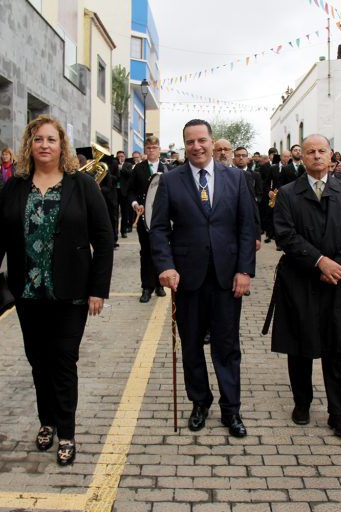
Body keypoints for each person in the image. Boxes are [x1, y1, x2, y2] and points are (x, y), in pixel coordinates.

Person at [0, 115, 113, 466]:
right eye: (38, 139)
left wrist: (99, 288)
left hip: (71, 292)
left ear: (61, 145)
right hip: (28, 292)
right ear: (29, 145)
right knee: (38, 362)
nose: (44, 145)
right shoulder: (15, 186)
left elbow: (103, 237)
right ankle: (47, 421)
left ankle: (66, 432)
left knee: (64, 361)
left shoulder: (82, 185)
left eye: (51, 139)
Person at [150, 119, 255, 438]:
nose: (197, 146)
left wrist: (245, 270)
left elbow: (247, 226)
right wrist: (165, 265)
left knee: (226, 346)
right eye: (190, 141)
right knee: (192, 345)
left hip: (227, 278)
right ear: (184, 145)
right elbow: (158, 228)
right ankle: (200, 402)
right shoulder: (170, 180)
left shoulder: (235, 178)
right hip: (187, 278)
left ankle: (231, 409)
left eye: (202, 140)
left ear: (212, 142)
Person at [269, 134, 341, 437]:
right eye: (310, 152)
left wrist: (339, 265)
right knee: (300, 345)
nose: (316, 156)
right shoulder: (287, 193)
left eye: (322, 151)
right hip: (301, 279)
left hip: (338, 281)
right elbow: (285, 235)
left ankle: (338, 412)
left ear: (331, 155)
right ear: (302, 157)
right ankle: (302, 402)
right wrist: (320, 261)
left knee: (337, 349)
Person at [128, 136, 169, 303]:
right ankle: (146, 287)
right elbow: (130, 191)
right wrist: (135, 204)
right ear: (145, 150)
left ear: (159, 149)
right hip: (144, 217)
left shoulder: (167, 169)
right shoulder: (138, 169)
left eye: (154, 147)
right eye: (149, 147)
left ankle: (160, 284)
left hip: (162, 218)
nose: (151, 150)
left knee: (161, 252)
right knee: (146, 252)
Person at [116, 150, 134, 238]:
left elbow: (129, 174)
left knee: (124, 213)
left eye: (122, 156)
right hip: (115, 191)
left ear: (124, 157)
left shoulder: (128, 165)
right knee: (115, 214)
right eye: (118, 156)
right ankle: (115, 232)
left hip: (124, 192)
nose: (120, 158)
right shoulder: (113, 165)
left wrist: (121, 167)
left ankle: (123, 231)